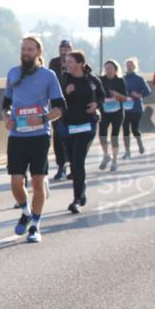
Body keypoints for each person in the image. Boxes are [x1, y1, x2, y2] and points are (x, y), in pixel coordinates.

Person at [1, 36, 65, 243]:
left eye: (29, 49)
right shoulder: (13, 73)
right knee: (15, 182)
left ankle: (35, 226)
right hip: (17, 135)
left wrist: (43, 118)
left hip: (39, 136)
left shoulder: (48, 75)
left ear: (38, 52)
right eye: (23, 49)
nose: (25, 53)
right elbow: (6, 104)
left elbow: (60, 108)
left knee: (38, 182)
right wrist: (6, 118)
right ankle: (26, 212)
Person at [60, 51, 104, 213]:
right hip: (68, 125)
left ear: (80, 63)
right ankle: (82, 190)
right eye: (66, 62)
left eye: (70, 62)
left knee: (78, 161)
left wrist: (96, 105)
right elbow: (54, 100)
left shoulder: (92, 80)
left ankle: (76, 198)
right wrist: (66, 93)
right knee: (73, 162)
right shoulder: (63, 80)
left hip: (87, 126)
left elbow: (101, 96)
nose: (67, 65)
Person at [48, 40, 73, 180]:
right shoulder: (54, 63)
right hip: (57, 105)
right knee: (58, 137)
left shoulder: (75, 61)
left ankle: (72, 164)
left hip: (72, 106)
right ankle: (61, 165)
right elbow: (52, 80)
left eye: (66, 48)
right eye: (61, 48)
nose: (63, 51)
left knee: (71, 137)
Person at [98, 60, 128, 172]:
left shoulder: (120, 81)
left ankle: (114, 161)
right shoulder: (100, 80)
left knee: (114, 136)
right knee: (102, 135)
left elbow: (125, 98)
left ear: (115, 69)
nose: (108, 70)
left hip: (117, 112)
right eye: (106, 68)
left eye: (110, 68)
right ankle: (106, 155)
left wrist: (117, 95)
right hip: (104, 112)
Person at [121, 58, 150, 157]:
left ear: (134, 66)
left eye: (131, 65)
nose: (129, 66)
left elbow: (147, 92)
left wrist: (138, 95)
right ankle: (127, 151)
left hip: (136, 108)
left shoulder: (139, 79)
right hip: (124, 108)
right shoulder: (122, 79)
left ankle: (140, 144)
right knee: (125, 129)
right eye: (127, 65)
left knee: (134, 129)